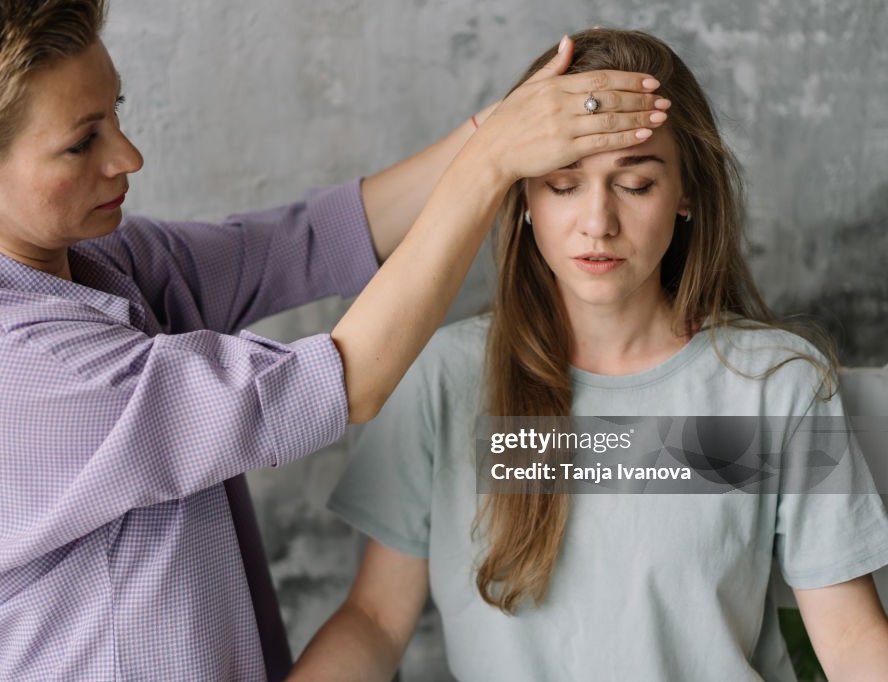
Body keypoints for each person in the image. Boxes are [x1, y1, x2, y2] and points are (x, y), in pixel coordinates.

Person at [0, 1, 672, 679]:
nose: (127, 156)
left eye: (118, 113)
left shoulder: (96, 262)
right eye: (82, 142)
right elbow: (344, 386)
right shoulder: (9, 365)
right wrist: (491, 164)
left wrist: (495, 127)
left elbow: (305, 242)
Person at [291, 29, 888, 681]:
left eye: (634, 184)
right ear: (523, 197)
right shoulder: (440, 376)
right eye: (563, 185)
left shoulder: (780, 387)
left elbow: (853, 638)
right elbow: (375, 620)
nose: (597, 221)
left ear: (685, 194)